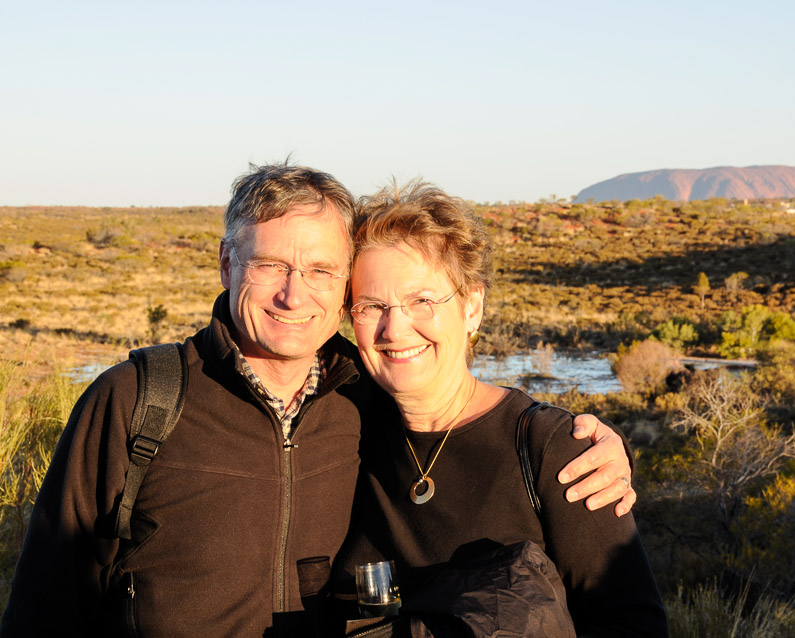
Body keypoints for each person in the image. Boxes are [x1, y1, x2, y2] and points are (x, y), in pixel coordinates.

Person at [0, 164, 635, 637]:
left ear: (472, 308)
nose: (293, 294)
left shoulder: (542, 449)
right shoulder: (139, 402)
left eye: (323, 272)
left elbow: (627, 619)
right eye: (270, 264)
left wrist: (592, 440)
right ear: (226, 263)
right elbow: (44, 609)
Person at [333, 180, 668, 636]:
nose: (394, 328)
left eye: (422, 300)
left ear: (472, 307)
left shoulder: (553, 450)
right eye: (372, 305)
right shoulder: (346, 429)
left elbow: (632, 624)